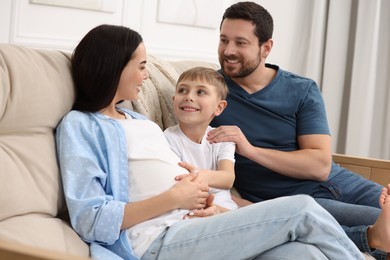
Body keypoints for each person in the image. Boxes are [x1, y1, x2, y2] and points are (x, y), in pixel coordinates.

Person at [55, 24, 364, 260]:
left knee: (302, 254)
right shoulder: (81, 125)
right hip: (156, 240)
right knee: (303, 210)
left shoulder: (138, 121)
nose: (146, 76)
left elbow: (182, 182)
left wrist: (209, 204)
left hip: (198, 225)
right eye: (141, 66)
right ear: (114, 67)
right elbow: (90, 220)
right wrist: (175, 198)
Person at [208, 2, 390, 259]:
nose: (228, 50)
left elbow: (320, 165)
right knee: (383, 227)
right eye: (224, 40)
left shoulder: (301, 89)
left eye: (240, 42)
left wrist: (249, 150)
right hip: (291, 200)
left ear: (266, 47)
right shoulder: (211, 92)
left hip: (338, 182)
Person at [164, 67, 237, 213]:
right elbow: (180, 187)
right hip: (192, 208)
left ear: (219, 107)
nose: (189, 97)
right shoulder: (168, 139)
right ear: (174, 101)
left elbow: (228, 178)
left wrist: (200, 175)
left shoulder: (221, 138)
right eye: (182, 90)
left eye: (201, 92)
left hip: (226, 209)